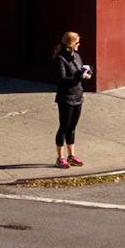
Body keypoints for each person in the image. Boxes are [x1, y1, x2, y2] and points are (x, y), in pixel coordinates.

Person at [52, 28, 91, 168]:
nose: (79, 45)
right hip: (66, 97)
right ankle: (60, 157)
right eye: (77, 43)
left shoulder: (77, 56)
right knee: (64, 126)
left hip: (78, 95)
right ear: (71, 44)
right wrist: (79, 76)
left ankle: (71, 155)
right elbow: (62, 79)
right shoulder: (61, 59)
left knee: (72, 127)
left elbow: (79, 71)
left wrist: (86, 73)